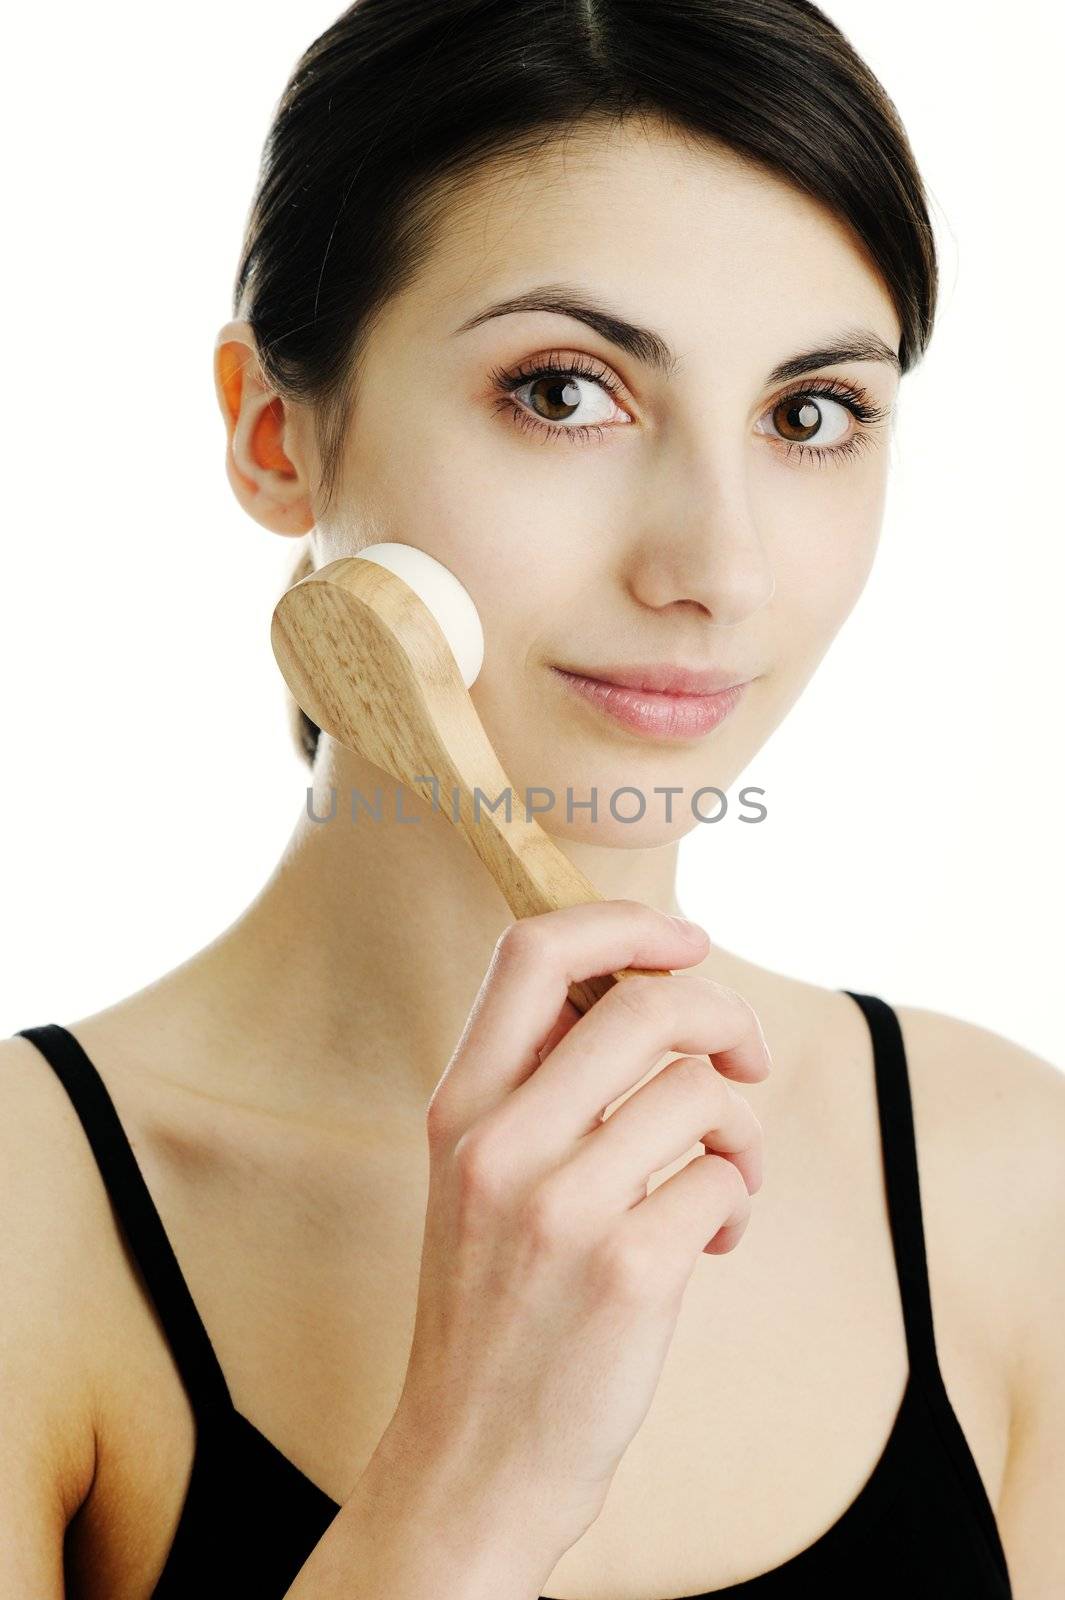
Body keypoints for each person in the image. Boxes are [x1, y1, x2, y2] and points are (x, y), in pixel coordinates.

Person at [3, 1, 1062, 1596]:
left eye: (808, 414)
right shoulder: (35, 1219)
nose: (716, 569)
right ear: (273, 431)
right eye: (564, 392)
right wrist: (468, 1482)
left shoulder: (1008, 1176)